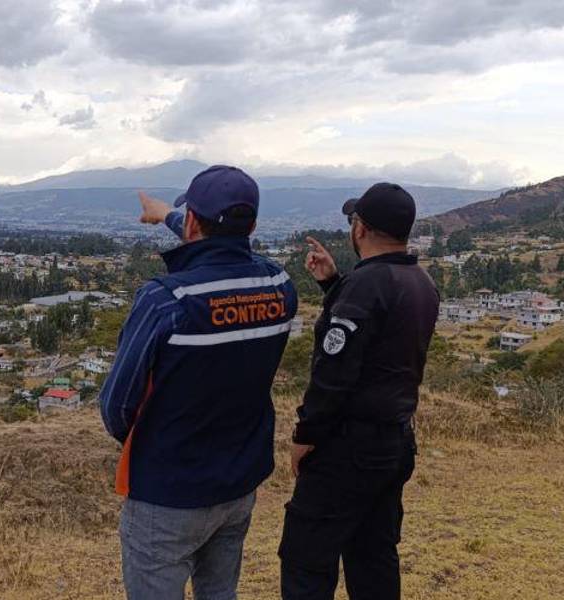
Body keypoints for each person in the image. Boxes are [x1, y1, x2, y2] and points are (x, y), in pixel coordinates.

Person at [100, 165, 299, 600]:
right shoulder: (279, 286)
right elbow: (224, 253)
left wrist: (150, 444)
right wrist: (165, 215)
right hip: (238, 483)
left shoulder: (164, 300)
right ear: (253, 226)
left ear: (191, 221)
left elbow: (116, 407)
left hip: (167, 489)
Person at [278, 183, 440, 600]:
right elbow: (378, 340)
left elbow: (334, 374)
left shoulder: (365, 286)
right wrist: (333, 283)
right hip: (393, 443)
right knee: (373, 557)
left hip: (346, 450)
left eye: (354, 220)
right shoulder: (420, 281)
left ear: (361, 229)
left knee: (306, 560)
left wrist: (305, 435)